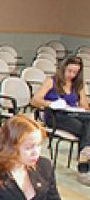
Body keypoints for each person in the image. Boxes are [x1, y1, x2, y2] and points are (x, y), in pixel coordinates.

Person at [31, 56, 90, 184]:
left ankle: (84, 157)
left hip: (72, 114)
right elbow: (35, 100)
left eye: (75, 72)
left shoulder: (77, 85)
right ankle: (84, 164)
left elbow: (85, 106)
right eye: (69, 71)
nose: (72, 75)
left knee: (88, 122)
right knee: (85, 130)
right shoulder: (51, 81)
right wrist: (51, 103)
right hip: (55, 115)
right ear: (63, 68)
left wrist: (80, 96)